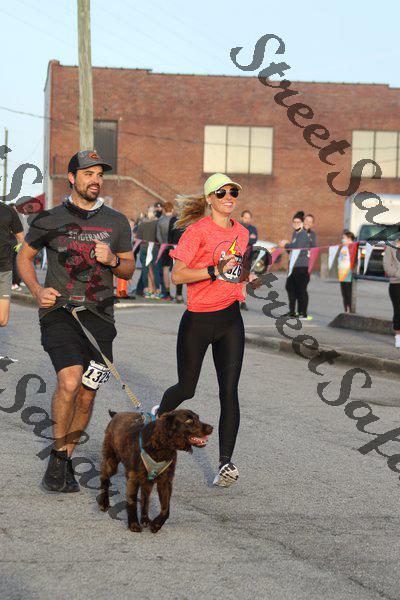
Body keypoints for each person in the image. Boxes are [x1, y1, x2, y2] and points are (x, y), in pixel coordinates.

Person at [17, 150, 134, 493]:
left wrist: (112, 260)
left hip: (101, 319)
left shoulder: (116, 222)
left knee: (86, 393)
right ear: (72, 178)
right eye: (88, 174)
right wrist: (37, 290)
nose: (95, 180)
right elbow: (25, 257)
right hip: (60, 312)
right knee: (69, 381)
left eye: (99, 174)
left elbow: (128, 268)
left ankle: (66, 457)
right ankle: (57, 457)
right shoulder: (48, 219)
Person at [152, 172, 250, 488]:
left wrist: (245, 282)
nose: (229, 197)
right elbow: (178, 275)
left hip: (230, 320)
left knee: (229, 391)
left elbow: (239, 269)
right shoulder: (197, 232)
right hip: (198, 320)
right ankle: (158, 417)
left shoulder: (243, 233)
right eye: (222, 193)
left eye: (233, 192)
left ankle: (225, 464)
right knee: (186, 388)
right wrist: (213, 270)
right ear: (209, 199)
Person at [279, 210, 313, 320]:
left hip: (301, 267)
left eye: (298, 222)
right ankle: (292, 311)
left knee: (301, 290)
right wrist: (287, 247)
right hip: (293, 266)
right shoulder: (295, 233)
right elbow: (291, 250)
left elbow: (297, 247)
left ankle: (303, 313)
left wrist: (286, 245)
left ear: (302, 223)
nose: (296, 224)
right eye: (294, 222)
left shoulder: (303, 234)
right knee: (290, 287)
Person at [0, 201, 24, 327]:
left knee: (2, 320)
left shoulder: (8, 210)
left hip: (4, 269)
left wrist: (18, 252)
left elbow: (21, 237)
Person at [239, 209, 258, 311]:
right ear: (242, 218)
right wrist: (248, 238)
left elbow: (254, 239)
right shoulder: (237, 227)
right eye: (245, 217)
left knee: (244, 281)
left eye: (249, 218)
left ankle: (243, 301)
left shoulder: (253, 228)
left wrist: (244, 238)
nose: (247, 220)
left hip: (248, 257)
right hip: (237, 256)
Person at [383, 237, 400, 348]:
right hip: (396, 283)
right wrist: (398, 274)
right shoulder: (391, 246)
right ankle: (398, 336)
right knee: (398, 310)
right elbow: (386, 265)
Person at [156, 201, 174, 300]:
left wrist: (163, 244)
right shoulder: (176, 220)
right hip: (175, 247)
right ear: (172, 209)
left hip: (163, 247)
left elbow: (158, 237)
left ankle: (167, 292)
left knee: (165, 270)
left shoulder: (160, 221)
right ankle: (178, 293)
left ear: (164, 209)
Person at [168, 208, 185, 303]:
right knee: (178, 270)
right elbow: (170, 233)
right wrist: (170, 246)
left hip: (185, 247)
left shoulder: (188, 220)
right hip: (176, 247)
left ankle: (179, 294)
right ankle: (178, 295)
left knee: (182, 271)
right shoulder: (174, 219)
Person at [338, 230, 355, 313]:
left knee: (348, 293)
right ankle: (346, 310)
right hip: (341, 273)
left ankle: (350, 310)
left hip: (348, 273)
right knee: (344, 294)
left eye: (344, 238)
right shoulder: (343, 247)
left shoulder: (352, 247)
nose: (342, 240)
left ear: (349, 239)